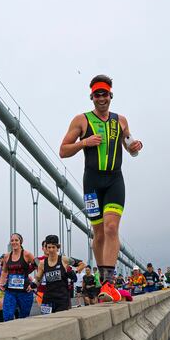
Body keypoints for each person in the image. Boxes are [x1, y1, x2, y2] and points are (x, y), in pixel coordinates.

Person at [60, 74, 143, 303]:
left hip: (115, 180)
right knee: (97, 233)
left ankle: (108, 283)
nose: (101, 98)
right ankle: (104, 281)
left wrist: (135, 146)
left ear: (111, 95)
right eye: (97, 94)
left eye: (104, 93)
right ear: (92, 96)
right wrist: (84, 142)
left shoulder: (121, 121)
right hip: (92, 183)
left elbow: (130, 148)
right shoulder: (81, 120)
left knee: (111, 227)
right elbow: (63, 150)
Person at [34, 235, 85, 314]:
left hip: (62, 298)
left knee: (60, 321)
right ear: (46, 248)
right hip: (48, 298)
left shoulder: (64, 259)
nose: (51, 250)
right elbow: (38, 279)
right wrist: (31, 285)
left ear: (58, 247)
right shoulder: (42, 263)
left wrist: (73, 272)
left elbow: (82, 264)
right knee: (46, 321)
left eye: (53, 247)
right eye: (49, 247)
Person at [0, 233, 36, 321]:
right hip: (10, 291)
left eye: (16, 240)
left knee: (23, 318)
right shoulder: (7, 256)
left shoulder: (27, 254)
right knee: (7, 316)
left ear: (20, 242)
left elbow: (39, 267)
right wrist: (1, 282)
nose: (14, 242)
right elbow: (4, 270)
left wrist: (35, 283)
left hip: (25, 291)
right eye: (12, 240)